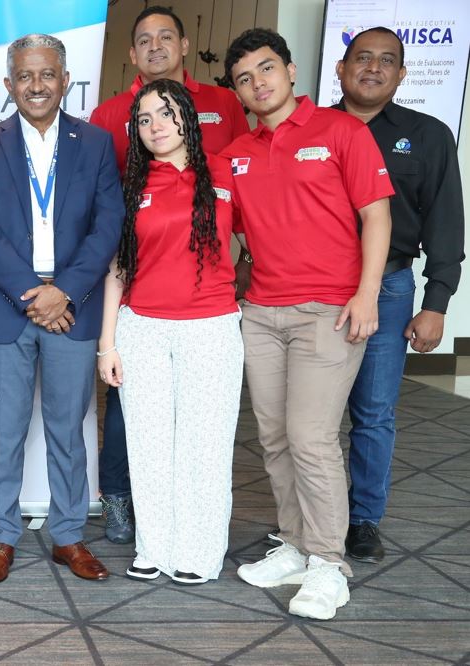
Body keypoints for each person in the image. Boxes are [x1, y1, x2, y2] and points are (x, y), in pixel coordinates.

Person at [220, 28, 394, 620]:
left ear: (291, 71)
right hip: (262, 313)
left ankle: (328, 563)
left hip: (329, 309)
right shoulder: (239, 153)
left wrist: (367, 294)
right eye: (244, 78)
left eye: (266, 69)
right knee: (273, 437)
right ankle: (294, 544)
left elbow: (377, 215)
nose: (258, 83)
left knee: (311, 438)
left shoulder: (341, 132)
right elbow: (225, 224)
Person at [87, 4, 250, 545]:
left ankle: (199, 550)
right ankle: (152, 542)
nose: (156, 126)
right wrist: (107, 341)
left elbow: (264, 224)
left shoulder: (225, 156)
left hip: (210, 321)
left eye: (167, 115)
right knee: (147, 440)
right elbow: (118, 261)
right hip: (142, 322)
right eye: (145, 119)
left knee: (203, 442)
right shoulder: (129, 178)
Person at [0, 34, 123, 585]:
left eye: (47, 74)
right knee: (4, 430)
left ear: (65, 80)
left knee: (68, 427)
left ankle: (69, 536)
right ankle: (1, 536)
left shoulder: (97, 143)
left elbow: (108, 226)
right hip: (11, 305)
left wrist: (66, 291)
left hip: (73, 306)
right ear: (9, 84)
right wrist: (35, 294)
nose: (37, 85)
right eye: (25, 76)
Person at [334, 26, 464, 564]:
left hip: (388, 288)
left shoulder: (428, 135)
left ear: (402, 74)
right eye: (362, 57)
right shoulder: (309, 127)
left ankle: (363, 520)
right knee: (306, 417)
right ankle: (306, 519)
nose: (373, 68)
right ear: (340, 69)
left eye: (387, 60)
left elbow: (445, 222)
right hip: (316, 287)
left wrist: (436, 303)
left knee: (374, 411)